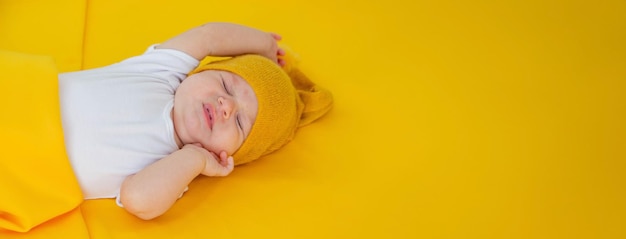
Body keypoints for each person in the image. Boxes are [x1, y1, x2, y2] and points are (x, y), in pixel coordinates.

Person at [58, 22, 333, 220]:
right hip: (26, 95)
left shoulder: (174, 165)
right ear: (199, 71)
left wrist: (195, 159)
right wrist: (263, 43)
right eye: (226, 84)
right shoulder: (161, 72)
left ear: (229, 156)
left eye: (239, 122)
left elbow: (137, 199)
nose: (226, 106)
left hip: (30, 169)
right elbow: (208, 36)